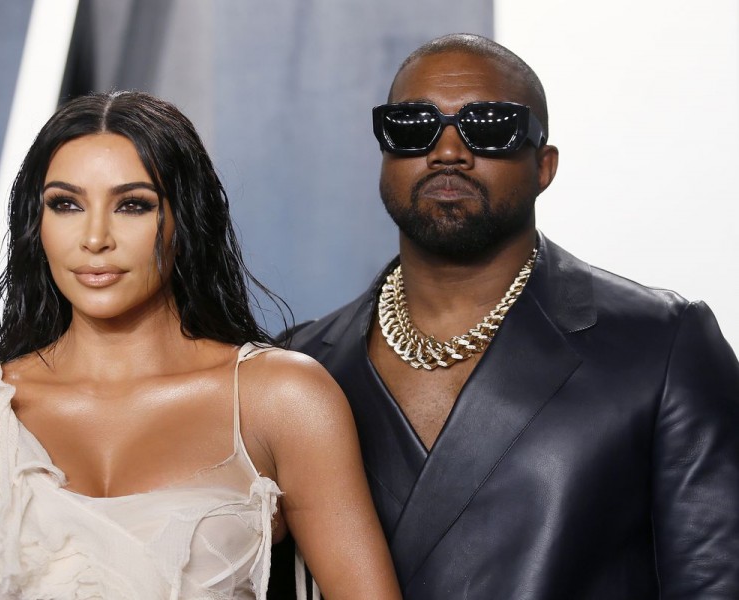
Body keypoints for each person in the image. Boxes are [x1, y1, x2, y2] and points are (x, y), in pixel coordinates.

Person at [0, 91, 402, 600]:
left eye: (133, 206)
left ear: (186, 220)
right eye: (66, 205)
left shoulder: (281, 399)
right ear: (37, 222)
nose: (95, 238)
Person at [280, 33, 739, 599]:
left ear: (543, 165)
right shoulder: (297, 366)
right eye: (412, 126)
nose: (448, 151)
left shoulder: (662, 345)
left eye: (490, 126)